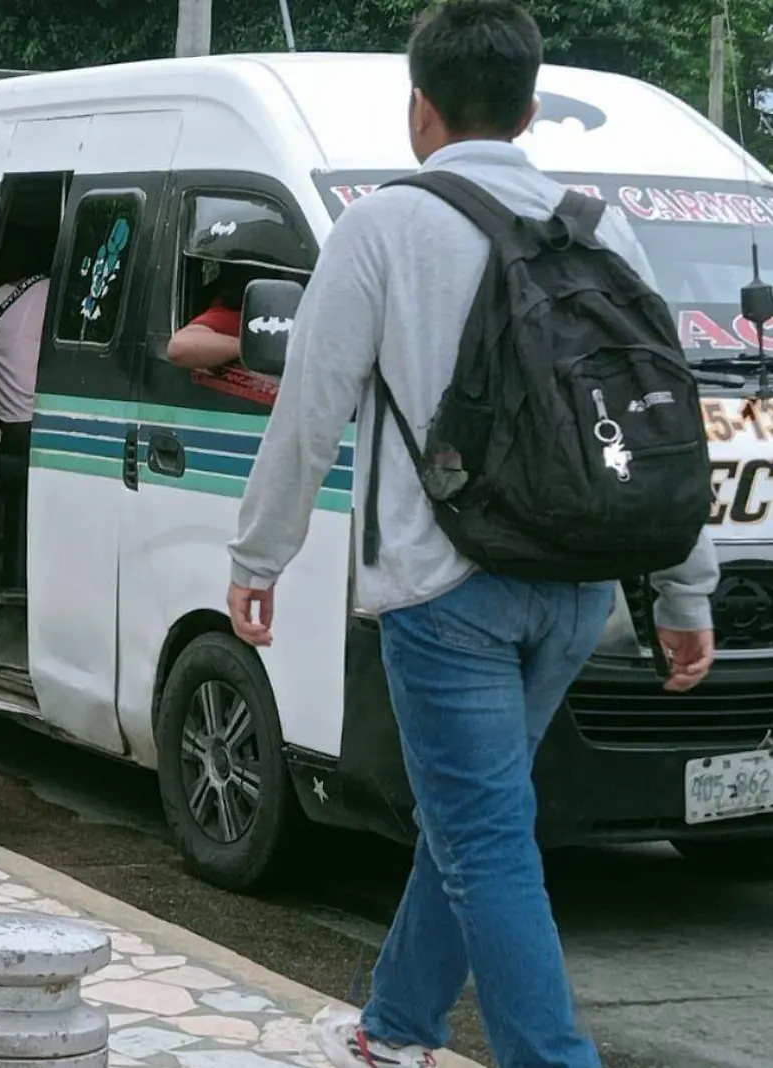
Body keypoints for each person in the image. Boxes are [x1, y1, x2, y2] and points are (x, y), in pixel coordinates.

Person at [223, 5, 718, 1068]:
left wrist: (257, 558)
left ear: (419, 108)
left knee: (482, 834)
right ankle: (394, 1026)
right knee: (472, 817)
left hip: (444, 590)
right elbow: (655, 419)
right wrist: (684, 596)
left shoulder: (381, 227)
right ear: (531, 110)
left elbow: (308, 410)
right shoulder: (601, 227)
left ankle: (552, 1059)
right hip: (578, 583)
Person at [0, 263, 48, 591]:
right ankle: (25, 578)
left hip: (2, 427)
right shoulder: (48, 291)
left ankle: (12, 571)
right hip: (32, 427)